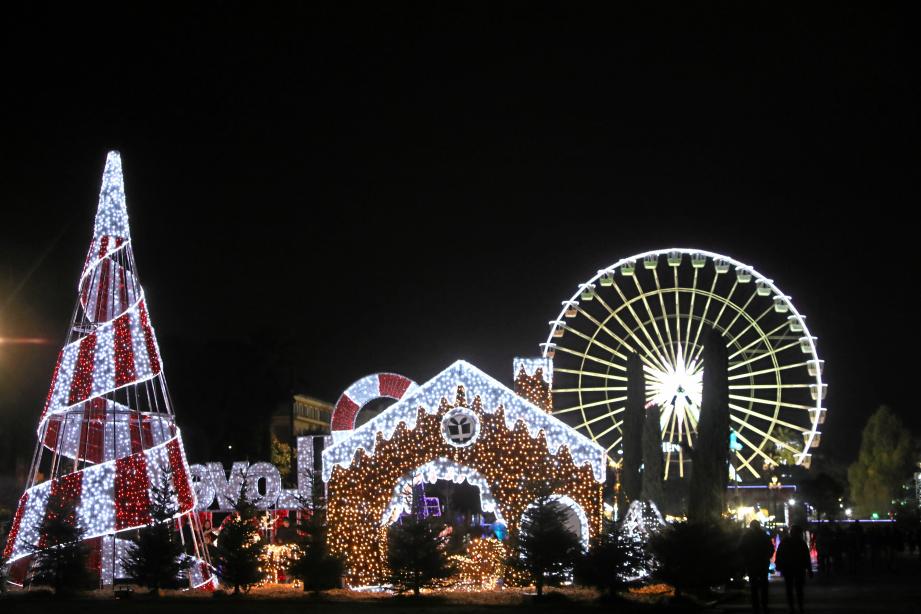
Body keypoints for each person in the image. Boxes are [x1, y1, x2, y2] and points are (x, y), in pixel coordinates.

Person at [776, 524, 813, 614]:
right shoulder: (801, 543)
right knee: (799, 589)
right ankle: (800, 606)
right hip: (799, 568)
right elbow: (806, 557)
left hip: (788, 568)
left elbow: (779, 554)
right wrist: (809, 569)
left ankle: (791, 607)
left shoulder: (785, 542)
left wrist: (779, 565)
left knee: (789, 588)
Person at [740, 520, 775, 614]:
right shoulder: (765, 536)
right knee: (764, 585)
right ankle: (764, 604)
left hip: (752, 564)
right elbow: (771, 548)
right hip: (763, 563)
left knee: (754, 586)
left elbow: (741, 549)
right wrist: (767, 556)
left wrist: (746, 559)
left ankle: (756, 606)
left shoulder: (746, 537)